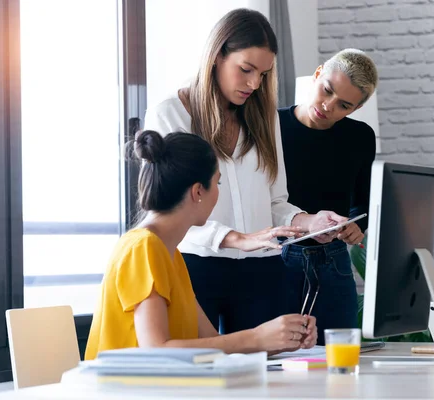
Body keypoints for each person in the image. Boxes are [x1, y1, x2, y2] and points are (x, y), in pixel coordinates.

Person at [143, 8, 344, 335]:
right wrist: (237, 239)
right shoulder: (170, 113)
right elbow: (167, 211)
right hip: (193, 267)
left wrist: (309, 222)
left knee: (266, 375)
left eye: (263, 74)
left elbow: (276, 202)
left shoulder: (265, 118)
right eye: (246, 69)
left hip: (262, 271)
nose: (254, 83)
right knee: (199, 375)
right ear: (216, 56)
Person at [84, 130, 317, 360]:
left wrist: (282, 338)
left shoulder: (170, 253)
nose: (218, 192)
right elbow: (154, 350)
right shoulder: (143, 247)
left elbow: (213, 342)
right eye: (218, 182)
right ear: (198, 191)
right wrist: (257, 337)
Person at [278, 49, 378, 345]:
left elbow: (365, 202)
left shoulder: (360, 137)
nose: (328, 106)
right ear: (318, 73)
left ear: (355, 109)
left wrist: (357, 225)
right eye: (327, 90)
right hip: (274, 258)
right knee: (275, 363)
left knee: (340, 361)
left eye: (343, 105)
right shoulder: (270, 126)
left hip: (332, 261)